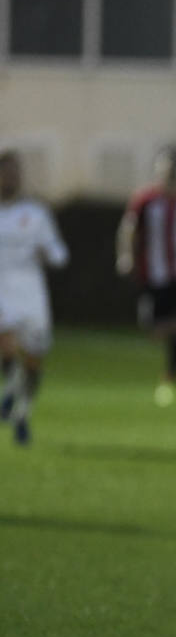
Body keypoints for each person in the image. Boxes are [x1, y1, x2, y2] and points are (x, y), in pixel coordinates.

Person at [115, 145, 176, 407]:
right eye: (165, 166)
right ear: (159, 169)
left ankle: (171, 378)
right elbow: (129, 229)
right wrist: (126, 255)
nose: (169, 172)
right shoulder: (146, 199)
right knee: (152, 327)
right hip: (155, 273)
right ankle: (175, 333)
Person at [0, 150, 69, 446]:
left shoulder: (36, 214)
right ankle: (12, 398)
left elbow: (60, 253)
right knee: (6, 346)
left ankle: (20, 411)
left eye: (15, 172)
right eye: (6, 172)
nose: (11, 177)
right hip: (2, 290)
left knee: (33, 361)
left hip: (32, 294)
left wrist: (48, 254)